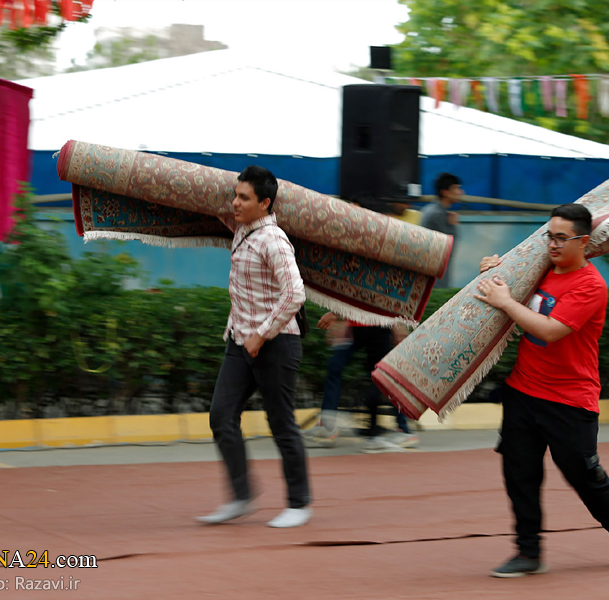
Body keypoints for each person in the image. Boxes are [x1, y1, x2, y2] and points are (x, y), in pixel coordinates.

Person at [474, 204, 609, 578]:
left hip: (570, 400)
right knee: (520, 473)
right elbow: (496, 291)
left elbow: (550, 330)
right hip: (523, 391)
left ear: (584, 241)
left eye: (562, 238)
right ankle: (528, 552)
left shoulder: (590, 285)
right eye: (549, 236)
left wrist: (506, 301)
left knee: (581, 474)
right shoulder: (539, 268)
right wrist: (491, 272)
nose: (553, 244)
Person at [196, 166, 312, 528]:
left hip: (276, 343)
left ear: (264, 203)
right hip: (240, 341)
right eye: (235, 195)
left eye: (244, 198)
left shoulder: (273, 240)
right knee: (221, 416)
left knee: (281, 423)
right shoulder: (241, 230)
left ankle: (299, 504)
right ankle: (241, 496)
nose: (235, 203)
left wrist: (262, 334)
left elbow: (294, 293)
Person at [302, 313, 417, 452]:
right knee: (335, 366)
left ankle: (402, 430)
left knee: (382, 376)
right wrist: (344, 321)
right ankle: (327, 426)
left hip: (378, 324)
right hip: (356, 325)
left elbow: (382, 299)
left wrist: (397, 322)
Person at [421, 173, 462, 288]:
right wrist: (452, 226)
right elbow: (449, 246)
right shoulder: (438, 214)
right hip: (435, 279)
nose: (460, 192)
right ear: (445, 192)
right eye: (456, 188)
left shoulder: (429, 210)